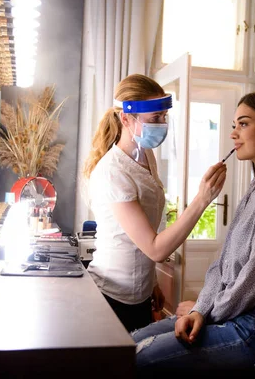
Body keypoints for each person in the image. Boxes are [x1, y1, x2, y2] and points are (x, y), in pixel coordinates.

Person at [132, 89, 255, 376]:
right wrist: (200, 310)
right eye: (234, 125)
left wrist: (205, 314)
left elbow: (254, 282)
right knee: (128, 345)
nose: (234, 134)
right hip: (233, 317)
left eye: (243, 124)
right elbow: (222, 265)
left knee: (139, 359)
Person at [82, 73, 227, 332]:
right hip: (112, 298)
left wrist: (152, 284)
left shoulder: (146, 155)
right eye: (154, 119)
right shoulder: (113, 171)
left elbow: (144, 229)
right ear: (126, 118)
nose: (161, 124)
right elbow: (155, 249)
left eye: (163, 117)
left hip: (140, 296)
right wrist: (202, 199)